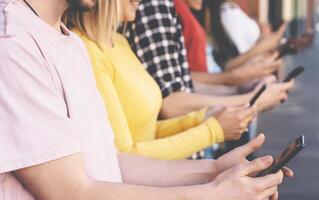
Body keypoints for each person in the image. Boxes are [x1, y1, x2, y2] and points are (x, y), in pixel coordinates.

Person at [0, 0, 292, 199]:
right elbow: (70, 192)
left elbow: (111, 162)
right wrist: (214, 193)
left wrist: (214, 171)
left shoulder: (69, 42)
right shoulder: (13, 41)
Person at [66, 0, 256, 160]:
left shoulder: (119, 41)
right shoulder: (86, 49)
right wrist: (212, 130)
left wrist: (202, 118)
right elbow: (125, 156)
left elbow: (148, 131)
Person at [125, 0, 295, 118]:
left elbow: (183, 83)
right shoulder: (157, 6)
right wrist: (251, 100)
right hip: (183, 142)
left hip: (197, 131)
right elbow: (172, 101)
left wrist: (240, 88)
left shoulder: (174, 7)